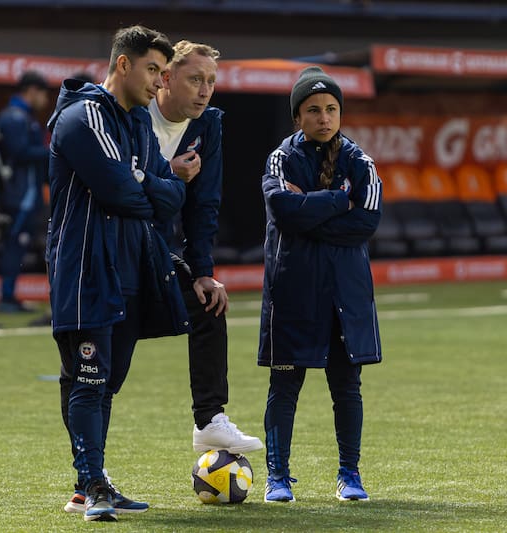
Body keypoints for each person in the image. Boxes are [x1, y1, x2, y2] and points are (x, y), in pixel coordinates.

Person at [47, 25, 187, 522]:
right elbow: (116, 192)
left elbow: (171, 197)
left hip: (129, 269)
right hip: (85, 269)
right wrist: (148, 188)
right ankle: (92, 485)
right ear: (123, 65)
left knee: (107, 383)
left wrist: (144, 180)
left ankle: (89, 486)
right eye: (153, 70)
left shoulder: (140, 126)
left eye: (164, 73)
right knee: (88, 378)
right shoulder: (82, 116)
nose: (159, 83)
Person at [259, 67, 382, 503]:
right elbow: (282, 210)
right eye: (313, 110)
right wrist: (337, 201)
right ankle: (278, 478)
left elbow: (366, 221)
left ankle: (350, 475)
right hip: (293, 292)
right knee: (285, 386)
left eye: (331, 109)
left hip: (344, 296)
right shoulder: (280, 159)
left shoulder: (359, 161)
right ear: (297, 117)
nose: (324, 117)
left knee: (346, 387)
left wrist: (307, 213)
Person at [147, 40, 263, 454]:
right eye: (195, 79)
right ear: (166, 78)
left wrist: (202, 271)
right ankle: (90, 475)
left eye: (211, 81)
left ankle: (209, 419)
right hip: (115, 244)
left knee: (209, 303)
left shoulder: (208, 124)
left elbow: (204, 203)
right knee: (108, 355)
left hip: (158, 247)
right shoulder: (134, 114)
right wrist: (169, 172)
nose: (204, 90)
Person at [0, 70, 51, 312]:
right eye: (43, 94)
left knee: (18, 244)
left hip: (28, 192)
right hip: (20, 194)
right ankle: (6, 298)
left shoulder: (25, 117)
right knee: (13, 244)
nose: (45, 100)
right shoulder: (15, 118)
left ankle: (10, 296)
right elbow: (19, 152)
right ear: (31, 91)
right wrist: (54, 151)